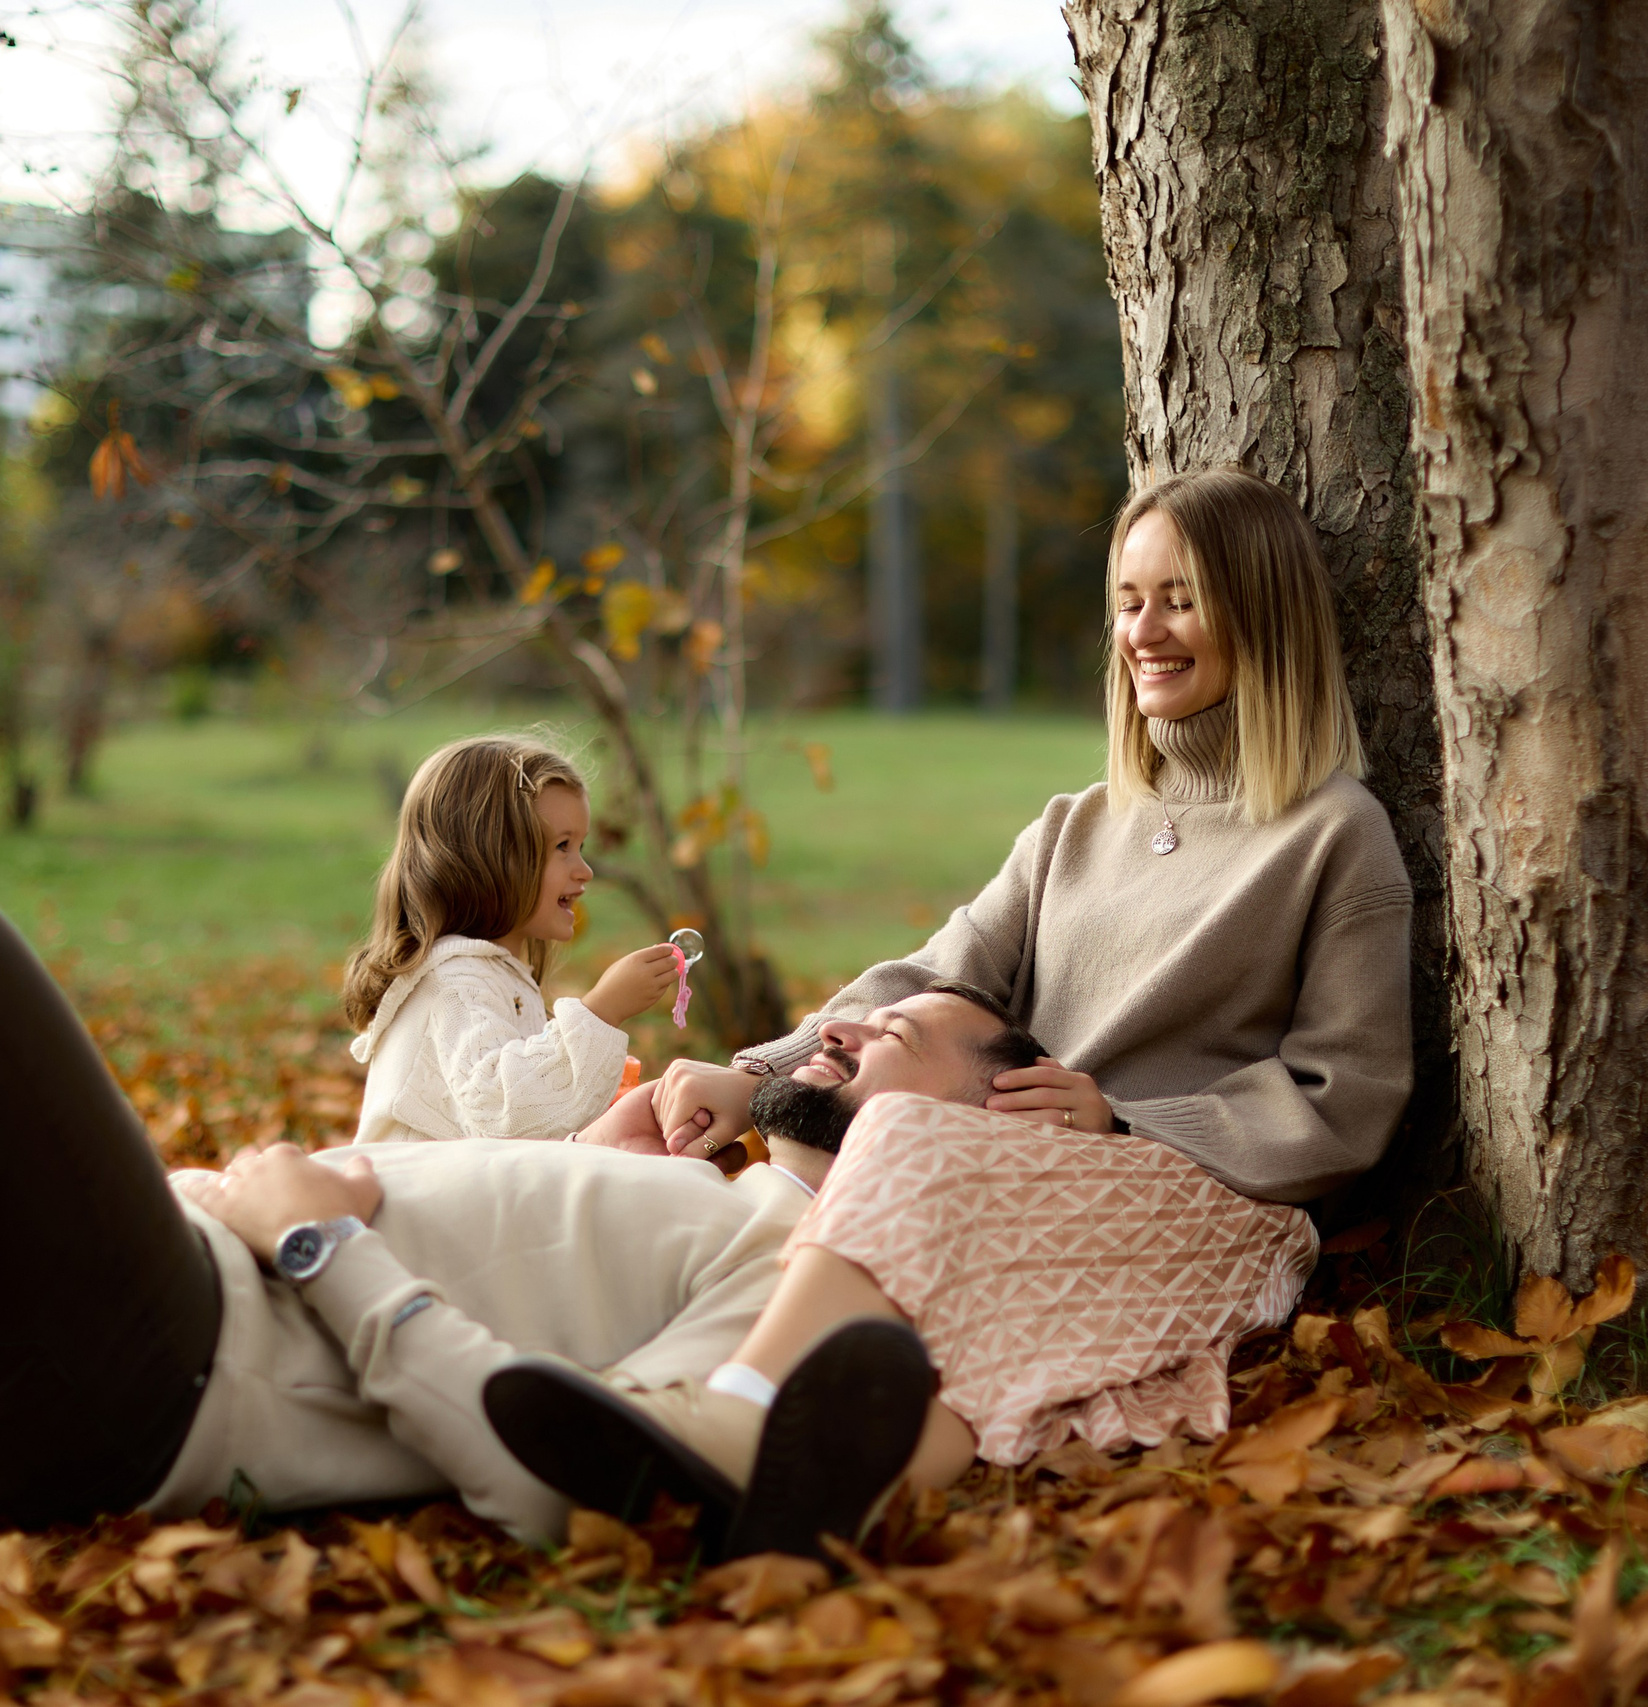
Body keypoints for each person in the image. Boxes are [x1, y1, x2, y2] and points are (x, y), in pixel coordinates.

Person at [0, 865, 1037, 1580]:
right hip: (136, 1283)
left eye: (898, 1035)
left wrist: (315, 1238)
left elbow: (559, 1469)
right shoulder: (714, 1187)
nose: (838, 1030)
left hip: (178, 1365)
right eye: (837, 1024)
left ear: (992, 1109)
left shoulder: (801, 1273)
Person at [519, 467, 1415, 1511]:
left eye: (1181, 599)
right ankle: (819, 1503)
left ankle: (728, 1411)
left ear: (1259, 612)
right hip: (1020, 1171)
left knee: (904, 1135)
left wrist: (1124, 1121)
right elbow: (930, 977)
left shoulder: (1332, 835)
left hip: (1198, 1197)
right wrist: (756, 1072)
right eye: (1129, 602)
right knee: (934, 1302)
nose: (1146, 632)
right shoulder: (1075, 827)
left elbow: (1346, 1097)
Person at [343, 736, 684, 1146]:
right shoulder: (454, 987)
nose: (584, 870)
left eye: (581, 846)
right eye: (563, 846)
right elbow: (504, 1114)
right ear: (490, 856)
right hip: (415, 1201)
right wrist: (602, 1011)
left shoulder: (489, 974)